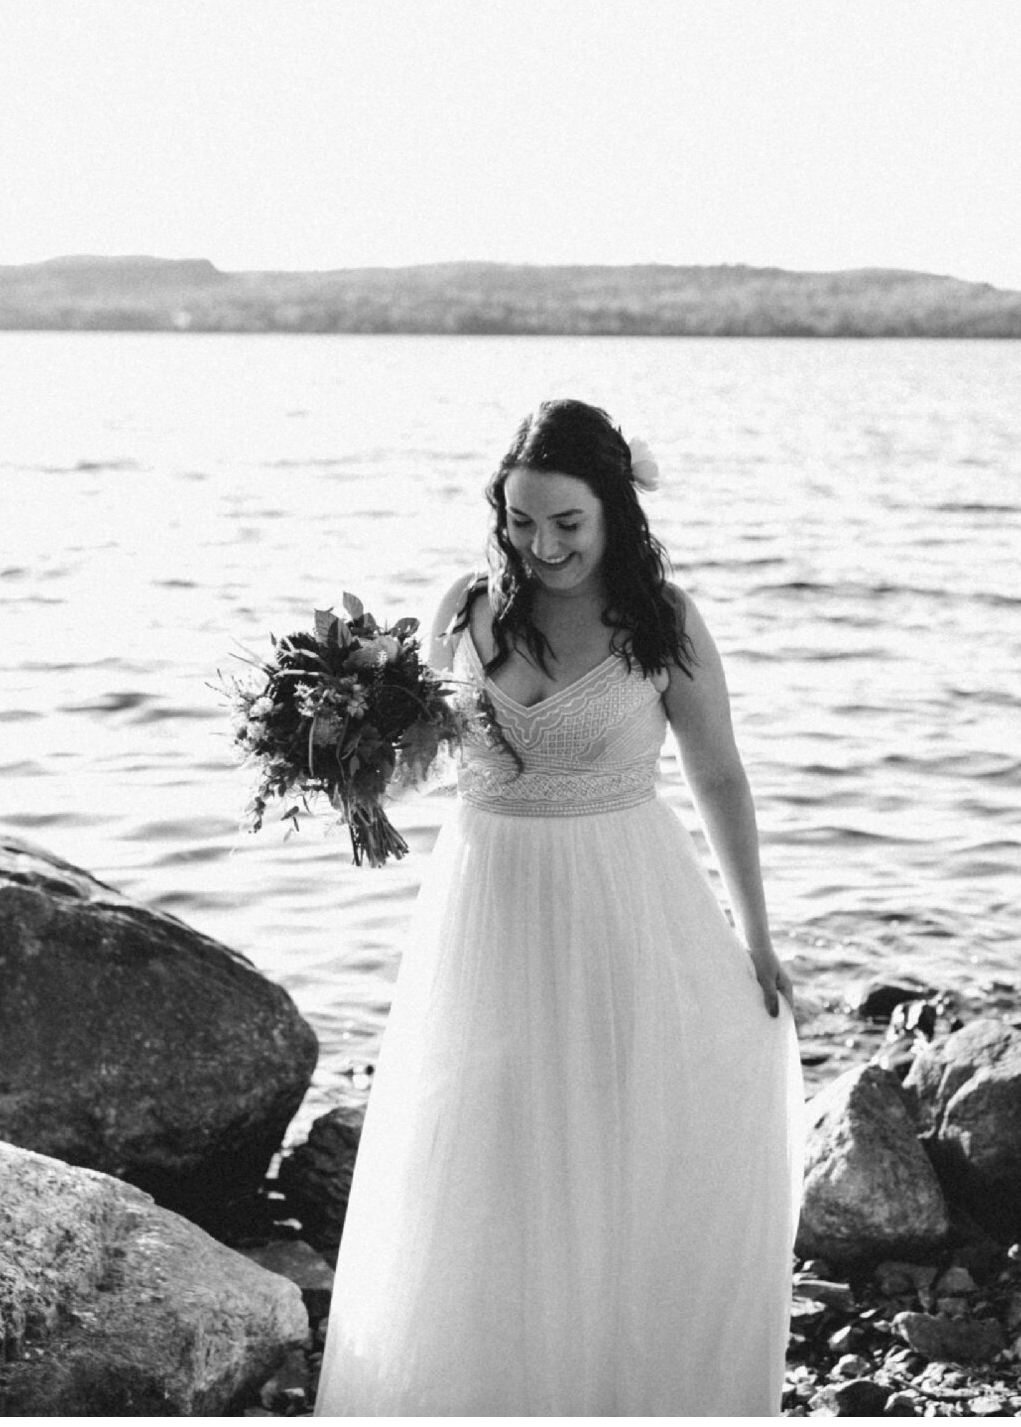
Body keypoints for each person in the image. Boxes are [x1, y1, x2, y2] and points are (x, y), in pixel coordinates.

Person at [314, 399, 803, 1416]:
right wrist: (344, 760)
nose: (541, 547)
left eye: (566, 524)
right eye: (522, 523)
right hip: (484, 907)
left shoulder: (661, 620)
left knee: (615, 1149)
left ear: (614, 509)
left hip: (622, 903)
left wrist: (754, 936)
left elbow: (719, 778)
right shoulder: (460, 608)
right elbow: (418, 766)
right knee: (481, 1152)